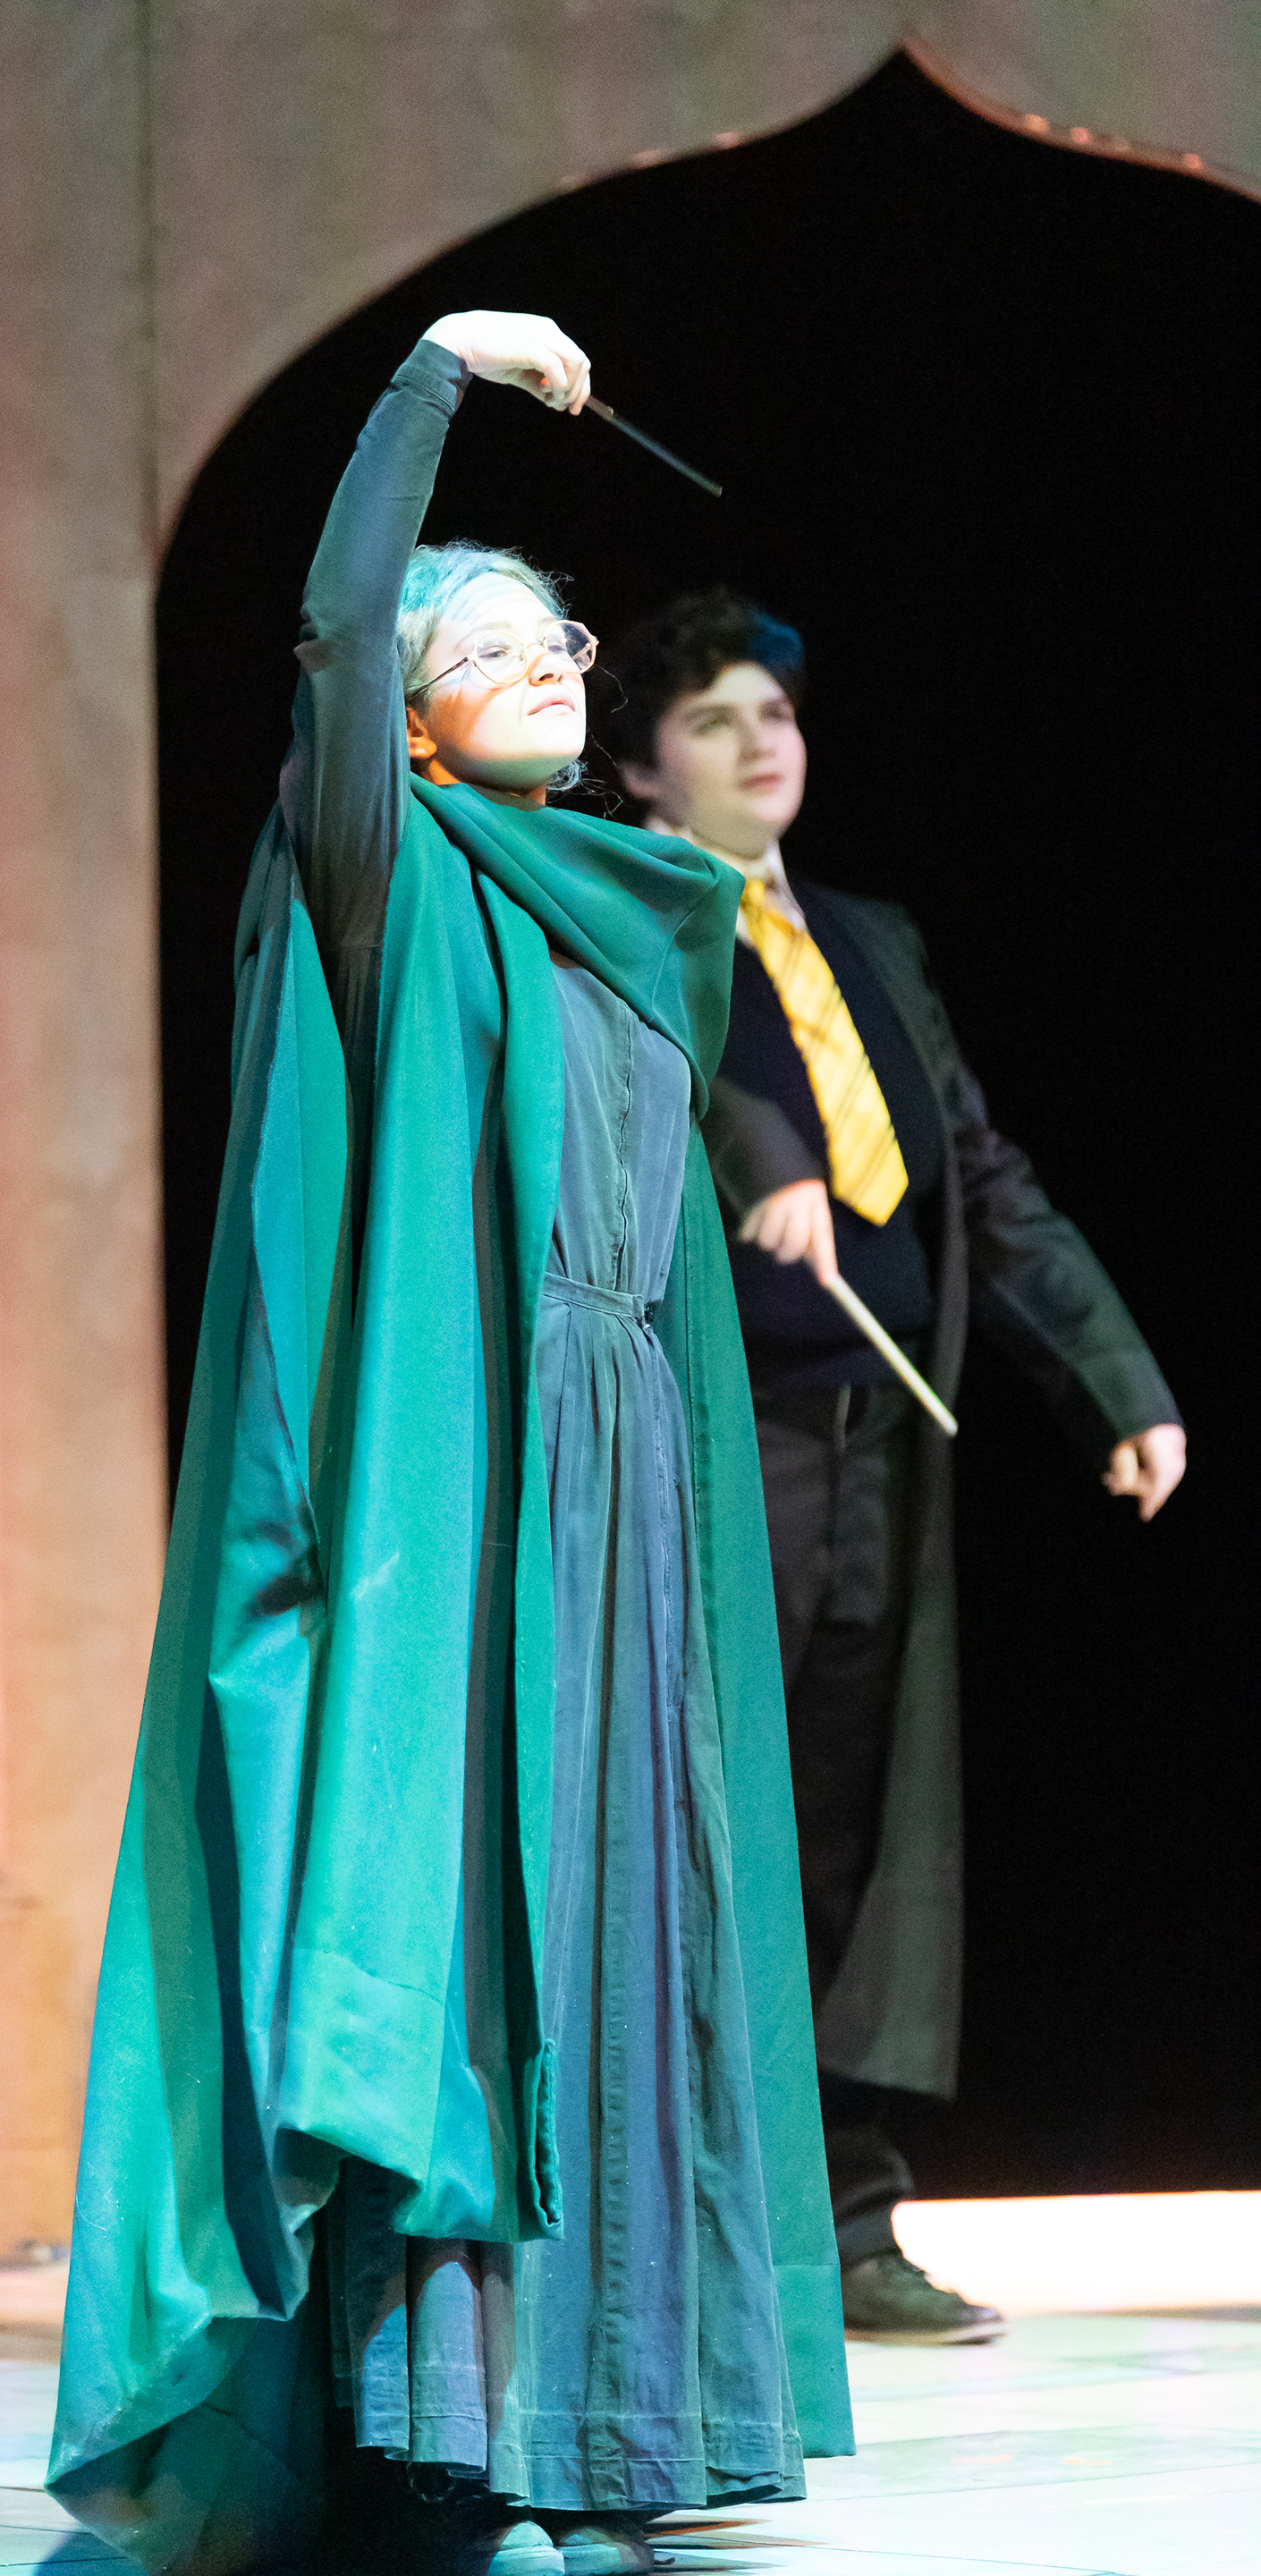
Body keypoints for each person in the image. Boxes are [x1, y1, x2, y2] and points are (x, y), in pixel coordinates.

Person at [49, 318, 851, 2576]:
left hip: (628, 1475)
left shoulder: (636, 911)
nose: (541, 668)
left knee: (620, 1933)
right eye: (480, 648)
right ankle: (454, 2450)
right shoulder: (383, 868)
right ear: (404, 720)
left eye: (553, 639)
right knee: (473, 1944)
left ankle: (613, 2430)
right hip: (466, 1492)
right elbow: (330, 630)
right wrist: (435, 377)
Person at [606, 591, 1185, 2345]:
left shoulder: (869, 938)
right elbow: (630, 1094)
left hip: (876, 1445)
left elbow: (977, 1176)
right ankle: (676, 2229)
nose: (759, 743)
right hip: (718, 1444)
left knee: (846, 1845)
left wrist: (1116, 1384)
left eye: (774, 711)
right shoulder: (622, 922)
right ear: (641, 770)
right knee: (706, 1818)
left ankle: (844, 2221)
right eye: (713, 720)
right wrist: (745, 1151)